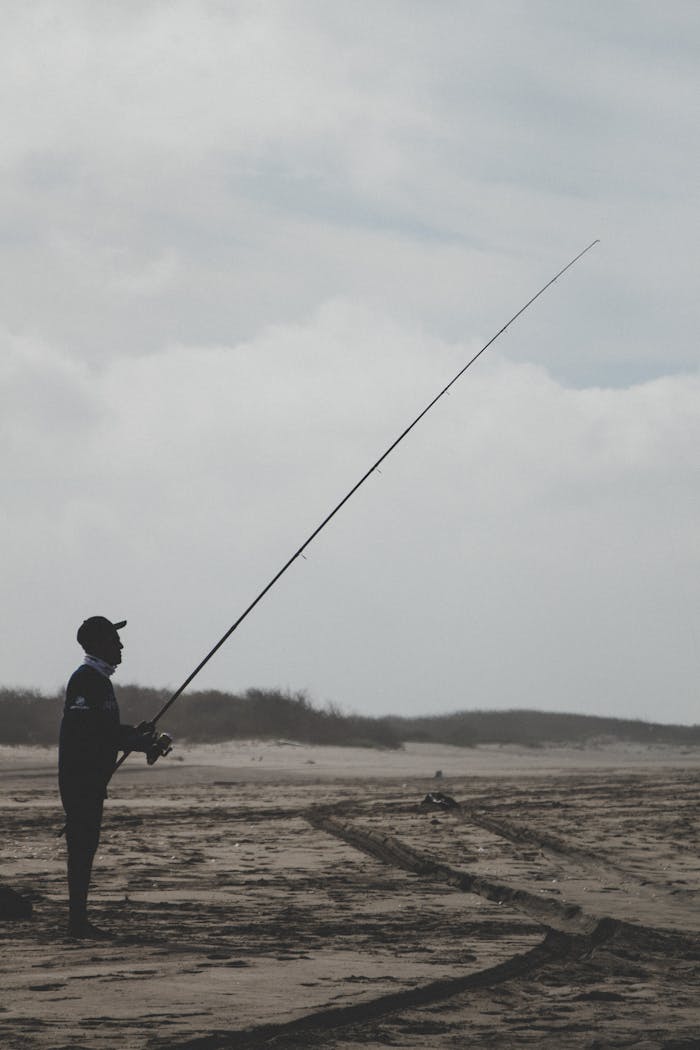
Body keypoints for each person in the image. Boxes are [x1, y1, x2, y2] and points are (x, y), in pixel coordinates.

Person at [59, 616, 161, 939]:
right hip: (80, 779)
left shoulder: (99, 681)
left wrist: (135, 735)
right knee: (82, 849)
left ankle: (79, 921)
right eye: (115, 641)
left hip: (91, 779)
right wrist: (133, 740)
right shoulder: (85, 680)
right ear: (100, 644)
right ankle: (77, 924)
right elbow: (87, 732)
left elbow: (103, 730)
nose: (121, 646)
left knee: (85, 847)